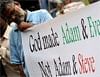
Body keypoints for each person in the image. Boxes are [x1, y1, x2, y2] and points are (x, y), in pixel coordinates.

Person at [1, 0, 53, 77]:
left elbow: (55, 37)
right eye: (9, 17)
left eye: (12, 12)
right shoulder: (13, 34)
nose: (13, 17)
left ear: (17, 4)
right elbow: (20, 67)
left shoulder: (42, 15)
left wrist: (30, 27)